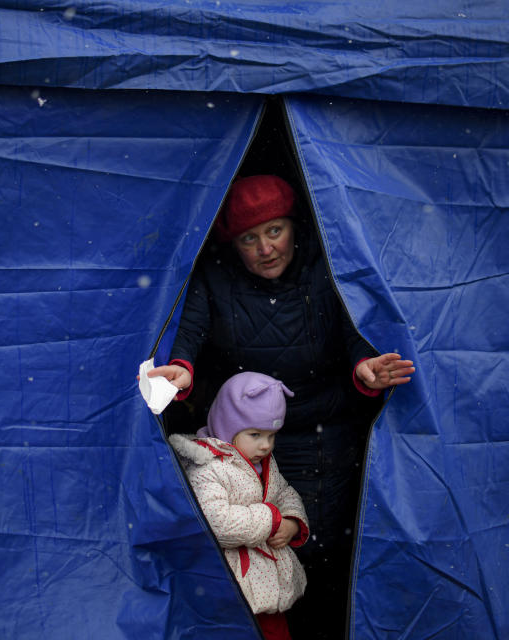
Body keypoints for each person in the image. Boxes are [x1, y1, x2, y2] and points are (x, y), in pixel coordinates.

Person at [151, 174, 414, 639]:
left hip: (325, 437)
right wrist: (183, 371)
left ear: (295, 227)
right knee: (254, 571)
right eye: (249, 238)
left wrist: (364, 369)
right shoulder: (215, 277)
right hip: (244, 447)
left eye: (275, 231)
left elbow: (356, 329)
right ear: (233, 245)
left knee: (328, 559)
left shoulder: (329, 266)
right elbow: (187, 332)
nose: (265, 248)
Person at [169, 371, 310, 640]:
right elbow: (217, 523)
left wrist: (291, 522)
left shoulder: (264, 464)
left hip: (267, 585)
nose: (266, 445)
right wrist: (271, 519)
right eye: (255, 434)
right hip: (228, 585)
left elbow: (285, 494)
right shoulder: (207, 466)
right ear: (227, 425)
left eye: (272, 435)